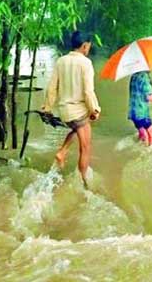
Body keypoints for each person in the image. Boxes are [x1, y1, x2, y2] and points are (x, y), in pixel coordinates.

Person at [42, 31, 101, 187]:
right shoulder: (85, 63)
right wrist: (95, 109)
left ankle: (62, 151)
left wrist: (47, 108)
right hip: (78, 111)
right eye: (88, 46)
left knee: (78, 126)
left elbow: (52, 87)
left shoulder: (61, 61)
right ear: (84, 46)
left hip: (64, 111)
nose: (88, 49)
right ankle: (84, 183)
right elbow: (88, 91)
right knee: (86, 147)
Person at [128, 71, 152, 146]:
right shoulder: (144, 77)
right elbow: (148, 97)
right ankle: (150, 152)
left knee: (143, 136)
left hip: (133, 112)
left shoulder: (134, 76)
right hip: (141, 112)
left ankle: (139, 149)